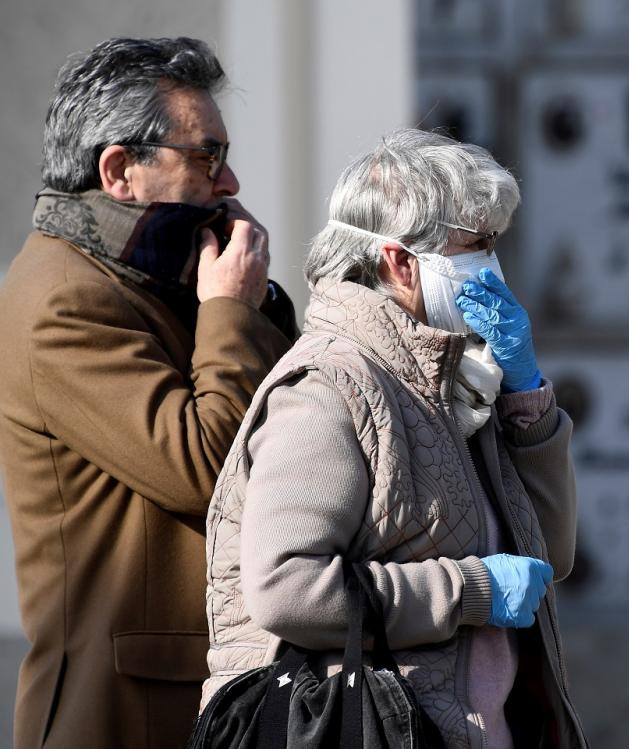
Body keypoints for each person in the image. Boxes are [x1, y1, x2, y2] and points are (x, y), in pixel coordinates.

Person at [203, 129, 588, 748]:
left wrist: (526, 397)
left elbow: (550, 555)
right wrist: (470, 591)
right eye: (475, 245)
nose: (491, 264)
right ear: (400, 261)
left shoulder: (458, 381)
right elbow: (286, 588)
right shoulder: (329, 387)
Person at [0, 37, 296, 749]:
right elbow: (206, 468)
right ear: (119, 171)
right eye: (205, 158)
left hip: (195, 698)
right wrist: (230, 311)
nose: (228, 183)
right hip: (121, 712)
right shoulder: (62, 299)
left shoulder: (148, 280)